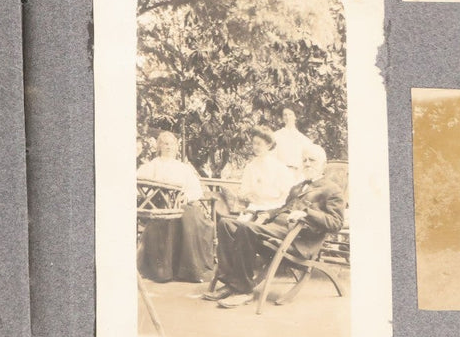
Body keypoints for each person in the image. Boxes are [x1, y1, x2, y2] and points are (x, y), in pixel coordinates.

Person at [205, 143, 346, 308]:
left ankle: (243, 290)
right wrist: (267, 214)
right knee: (225, 224)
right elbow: (284, 208)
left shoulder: (332, 190)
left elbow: (336, 223)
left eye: (312, 160)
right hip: (276, 228)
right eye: (304, 160)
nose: (307, 163)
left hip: (297, 238)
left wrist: (307, 213)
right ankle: (231, 283)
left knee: (245, 228)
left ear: (323, 165)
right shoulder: (298, 187)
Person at [135, 131, 213, 282]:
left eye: (171, 143)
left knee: (189, 218)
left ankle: (188, 271)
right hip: (159, 206)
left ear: (176, 147)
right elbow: (140, 187)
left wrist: (186, 197)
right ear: (159, 146)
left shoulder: (183, 168)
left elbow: (196, 189)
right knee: (165, 219)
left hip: (182, 204)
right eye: (165, 143)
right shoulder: (151, 166)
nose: (168, 146)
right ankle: (164, 270)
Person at [234, 127, 299, 218]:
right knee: (240, 225)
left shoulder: (279, 167)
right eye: (254, 143)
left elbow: (287, 193)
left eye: (259, 144)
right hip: (254, 207)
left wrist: (273, 207)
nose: (255, 147)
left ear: (268, 145)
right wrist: (249, 197)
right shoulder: (250, 167)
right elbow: (245, 190)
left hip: (274, 209)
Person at [272, 107, 316, 174]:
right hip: (281, 174)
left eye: (290, 114)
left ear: (295, 117)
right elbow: (272, 157)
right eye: (285, 115)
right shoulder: (276, 136)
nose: (288, 117)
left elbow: (309, 159)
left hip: (299, 174)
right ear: (282, 118)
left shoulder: (304, 139)